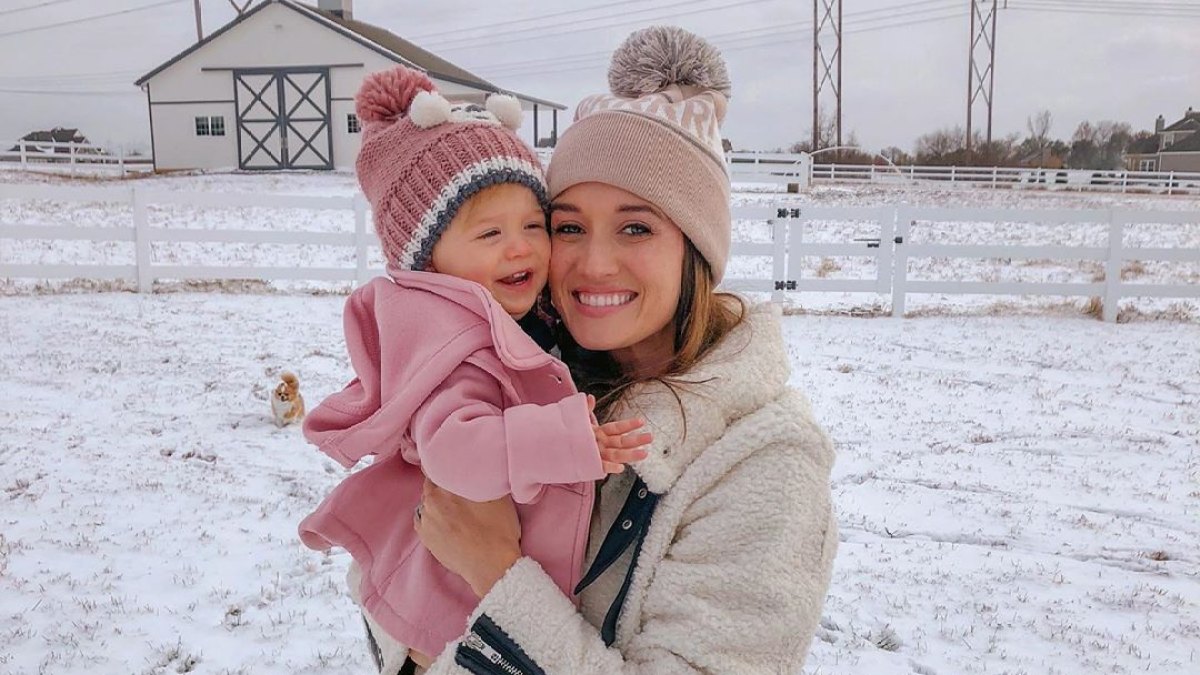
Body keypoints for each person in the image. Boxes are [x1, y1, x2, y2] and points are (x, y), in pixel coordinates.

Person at [407, 26, 838, 675]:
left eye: (636, 226)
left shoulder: (765, 464)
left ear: (695, 249)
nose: (593, 263)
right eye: (569, 226)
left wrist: (494, 573)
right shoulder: (524, 384)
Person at [296, 66, 652, 671]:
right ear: (427, 258)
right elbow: (453, 452)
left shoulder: (507, 316)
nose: (521, 248)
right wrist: (568, 440)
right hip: (455, 614)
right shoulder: (450, 344)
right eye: (490, 233)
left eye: (533, 226)